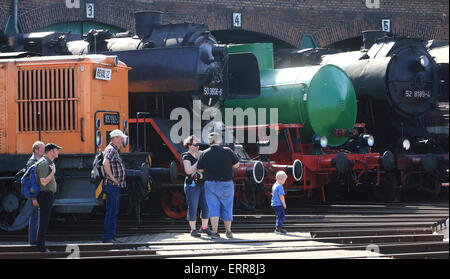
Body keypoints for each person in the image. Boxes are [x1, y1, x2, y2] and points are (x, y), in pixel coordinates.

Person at [197, 132, 240, 239]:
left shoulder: (204, 153)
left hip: (210, 184)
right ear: (219, 140)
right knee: (227, 206)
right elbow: (236, 164)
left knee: (213, 207)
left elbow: (200, 169)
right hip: (226, 183)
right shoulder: (227, 151)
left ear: (208, 141)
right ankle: (228, 231)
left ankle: (215, 231)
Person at [182, 135, 210, 237]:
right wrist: (199, 162)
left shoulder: (199, 154)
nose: (198, 146)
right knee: (193, 207)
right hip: (192, 185)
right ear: (189, 145)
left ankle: (204, 227)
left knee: (206, 207)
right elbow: (188, 171)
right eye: (195, 145)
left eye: (199, 144)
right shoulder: (186, 156)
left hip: (203, 184)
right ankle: (193, 229)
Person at [102, 129, 127, 243]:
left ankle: (110, 236)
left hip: (113, 186)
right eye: (121, 138)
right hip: (111, 185)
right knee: (112, 212)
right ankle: (108, 238)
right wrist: (113, 179)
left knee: (112, 211)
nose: (122, 140)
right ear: (115, 138)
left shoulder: (113, 150)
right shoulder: (111, 150)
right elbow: (105, 163)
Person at [35, 142, 62, 252]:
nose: (58, 152)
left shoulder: (48, 162)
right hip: (45, 195)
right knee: (43, 222)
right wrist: (53, 172)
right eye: (57, 150)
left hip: (48, 195)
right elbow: (43, 182)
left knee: (44, 221)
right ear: (51, 151)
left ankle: (41, 246)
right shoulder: (43, 163)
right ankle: (41, 248)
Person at [26, 141, 45, 246]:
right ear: (36, 150)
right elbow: (32, 181)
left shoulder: (39, 160)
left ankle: (36, 241)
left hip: (39, 193)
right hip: (35, 195)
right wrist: (33, 198)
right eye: (42, 149)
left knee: (37, 217)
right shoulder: (32, 162)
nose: (44, 150)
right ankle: (33, 242)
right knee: (34, 217)